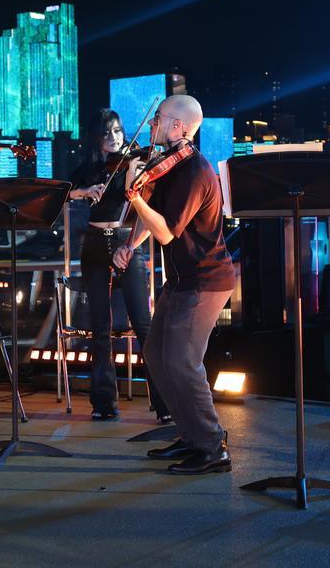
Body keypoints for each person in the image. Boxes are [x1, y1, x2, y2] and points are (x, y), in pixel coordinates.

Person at [114, 94, 236, 475]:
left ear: (179, 126)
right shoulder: (170, 165)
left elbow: (166, 231)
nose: (153, 125)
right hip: (182, 279)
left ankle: (212, 447)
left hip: (204, 279)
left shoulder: (195, 172)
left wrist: (134, 197)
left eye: (159, 119)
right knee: (155, 354)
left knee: (183, 362)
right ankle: (191, 435)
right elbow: (154, 215)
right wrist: (130, 244)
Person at [68, 109, 170, 423]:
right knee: (100, 329)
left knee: (143, 324)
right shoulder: (89, 168)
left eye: (117, 131)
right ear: (96, 138)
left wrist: (134, 172)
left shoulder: (134, 162)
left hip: (127, 242)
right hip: (94, 245)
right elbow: (62, 193)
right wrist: (85, 192)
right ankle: (103, 402)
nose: (114, 138)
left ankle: (165, 404)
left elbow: (140, 200)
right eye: (106, 133)